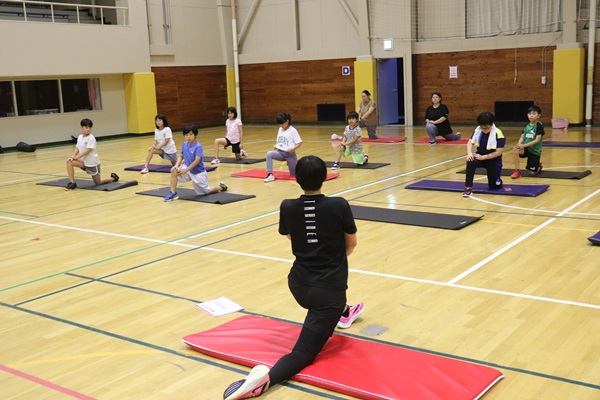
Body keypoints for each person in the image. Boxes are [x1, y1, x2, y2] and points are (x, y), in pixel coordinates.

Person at [223, 155, 365, 400]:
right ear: (325, 177)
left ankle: (343, 312)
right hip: (327, 295)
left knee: (330, 300)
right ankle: (262, 383)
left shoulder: (287, 206)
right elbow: (350, 244)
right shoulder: (339, 204)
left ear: (296, 179)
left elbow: (292, 237)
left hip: (298, 285)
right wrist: (331, 254)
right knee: (303, 353)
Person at [163, 124, 227, 201]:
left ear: (195, 135)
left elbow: (196, 161)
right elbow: (181, 156)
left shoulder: (198, 146)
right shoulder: (185, 144)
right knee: (174, 171)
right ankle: (172, 193)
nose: (188, 136)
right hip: (188, 170)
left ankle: (221, 187)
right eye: (186, 135)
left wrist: (185, 170)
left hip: (198, 173)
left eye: (190, 134)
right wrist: (176, 165)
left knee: (205, 191)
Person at [65, 118, 119, 190]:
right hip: (84, 163)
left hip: (92, 163)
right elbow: (77, 148)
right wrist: (73, 156)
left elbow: (87, 151)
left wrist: (77, 157)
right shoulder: (80, 137)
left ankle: (113, 178)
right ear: (81, 127)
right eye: (86, 127)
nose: (88, 129)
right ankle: (72, 183)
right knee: (69, 162)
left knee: (98, 182)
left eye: (90, 127)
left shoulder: (91, 138)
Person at [463, 112, 506, 197]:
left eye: (487, 128)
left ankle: (497, 180)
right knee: (470, 161)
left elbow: (498, 152)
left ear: (492, 124)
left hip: (493, 160)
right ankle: (468, 187)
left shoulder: (498, 133)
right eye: (483, 128)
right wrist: (469, 153)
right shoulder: (477, 131)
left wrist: (483, 157)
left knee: (494, 186)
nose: (484, 130)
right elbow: (470, 142)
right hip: (480, 157)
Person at [264, 113, 302, 182]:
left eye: (282, 124)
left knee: (294, 175)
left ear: (287, 121)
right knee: (269, 154)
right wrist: (276, 145)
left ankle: (296, 164)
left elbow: (299, 143)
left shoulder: (292, 130)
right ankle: (270, 174)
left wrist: (292, 149)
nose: (281, 126)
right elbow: (279, 141)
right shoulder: (280, 129)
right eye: (279, 124)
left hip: (290, 155)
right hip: (281, 153)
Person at [511, 105, 545, 179]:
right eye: (529, 114)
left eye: (534, 114)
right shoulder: (526, 125)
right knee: (515, 149)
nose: (531, 116)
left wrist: (524, 145)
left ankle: (538, 166)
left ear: (538, 116)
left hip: (534, 151)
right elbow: (522, 136)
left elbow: (537, 140)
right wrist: (519, 144)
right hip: (526, 149)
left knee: (531, 173)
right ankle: (517, 171)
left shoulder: (539, 126)